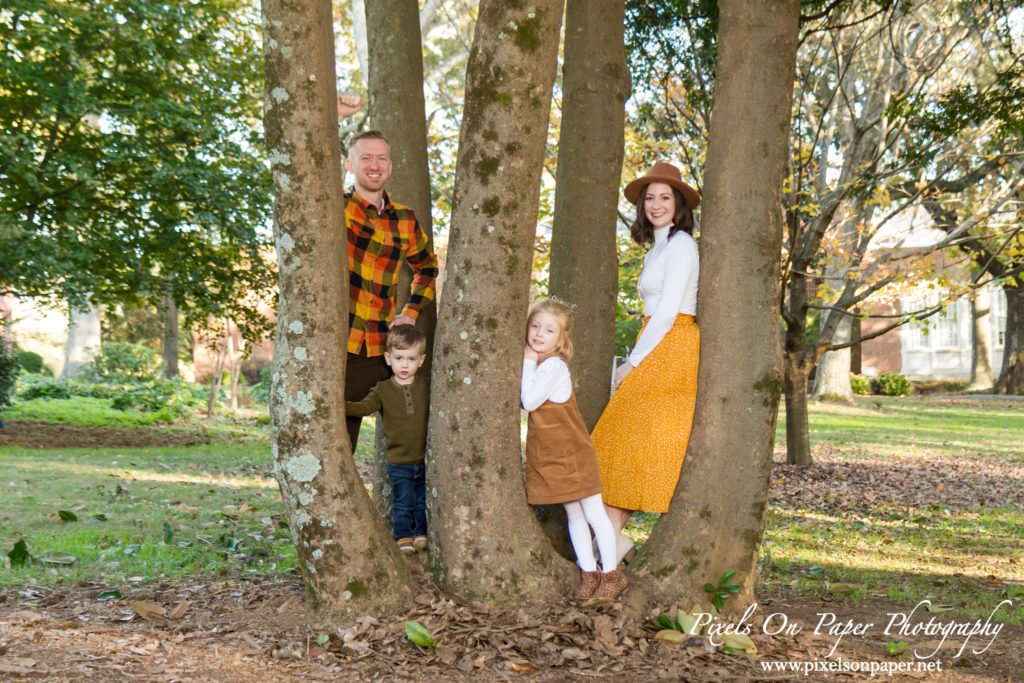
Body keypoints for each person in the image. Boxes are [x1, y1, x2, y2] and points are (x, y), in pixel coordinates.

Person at [590, 162, 701, 564]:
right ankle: (613, 550)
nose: (656, 205)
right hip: (656, 341)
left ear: (679, 204)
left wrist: (632, 362)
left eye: (665, 197)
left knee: (619, 442)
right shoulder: (658, 246)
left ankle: (610, 553)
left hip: (670, 346)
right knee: (617, 447)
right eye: (649, 198)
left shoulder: (682, 244)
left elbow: (670, 310)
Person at [338, 95, 439, 451]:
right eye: (365, 158)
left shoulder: (405, 219)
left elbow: (427, 267)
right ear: (351, 165)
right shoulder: (337, 207)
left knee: (412, 437)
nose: (374, 165)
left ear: (391, 166)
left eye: (381, 158)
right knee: (340, 440)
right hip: (343, 345)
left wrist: (411, 312)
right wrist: (333, 119)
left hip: (387, 348)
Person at [521, 299, 626, 600]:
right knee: (574, 516)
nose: (539, 334)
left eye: (549, 330)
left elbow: (528, 401)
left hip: (572, 454)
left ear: (561, 339)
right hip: (553, 455)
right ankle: (589, 574)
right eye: (535, 326)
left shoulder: (552, 365)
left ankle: (611, 575)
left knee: (594, 514)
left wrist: (527, 362)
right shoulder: (541, 363)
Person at [346, 325, 430, 555]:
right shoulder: (383, 389)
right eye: (399, 358)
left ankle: (421, 534)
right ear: (388, 358)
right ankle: (403, 536)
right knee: (403, 501)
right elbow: (364, 407)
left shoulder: (427, 386)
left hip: (424, 459)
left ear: (421, 361)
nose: (405, 364)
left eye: (411, 359)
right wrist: (338, 405)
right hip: (399, 460)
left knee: (423, 500)